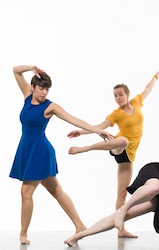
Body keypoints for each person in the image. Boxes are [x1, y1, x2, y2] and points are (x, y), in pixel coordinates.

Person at [9, 65, 112, 245]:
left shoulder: (51, 107)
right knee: (56, 190)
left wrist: (96, 130)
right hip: (27, 149)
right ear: (33, 87)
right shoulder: (27, 95)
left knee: (26, 192)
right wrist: (32, 67)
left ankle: (23, 234)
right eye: (41, 88)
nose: (44, 92)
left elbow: (74, 119)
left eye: (47, 89)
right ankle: (80, 225)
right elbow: (16, 70)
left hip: (39, 152)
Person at [67, 71, 159, 238]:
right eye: (115, 96)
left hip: (130, 155)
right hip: (117, 146)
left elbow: (148, 89)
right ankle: (86, 148)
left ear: (127, 94)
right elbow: (100, 126)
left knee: (122, 192)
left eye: (120, 94)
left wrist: (155, 77)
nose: (118, 98)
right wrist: (81, 133)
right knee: (123, 141)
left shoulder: (137, 102)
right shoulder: (116, 114)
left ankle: (121, 229)